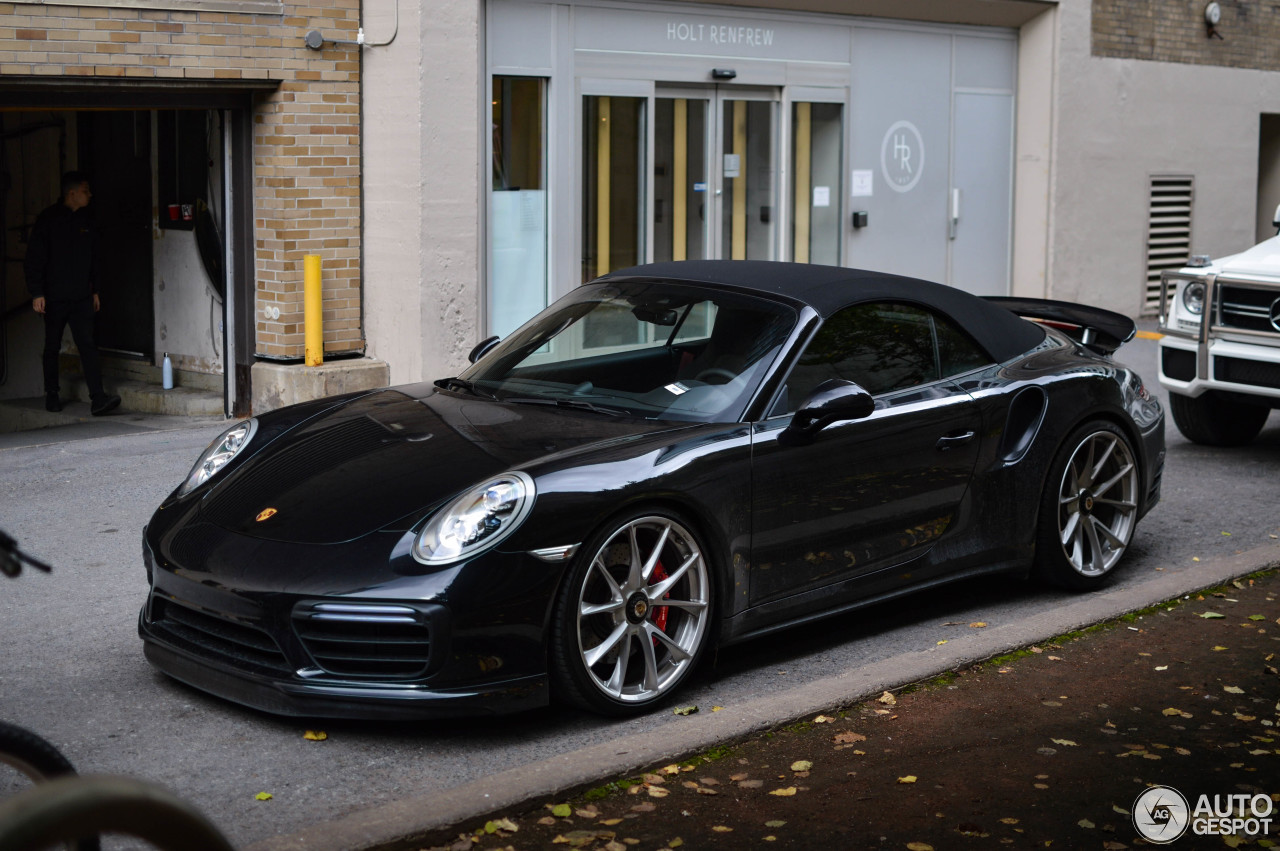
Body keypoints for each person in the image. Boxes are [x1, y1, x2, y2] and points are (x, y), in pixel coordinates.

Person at [25, 171, 120, 415]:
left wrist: (95, 290)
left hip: (81, 297)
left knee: (87, 345)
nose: (90, 195)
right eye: (85, 190)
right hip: (54, 297)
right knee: (52, 346)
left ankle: (98, 398)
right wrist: (37, 293)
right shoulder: (48, 220)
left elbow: (95, 259)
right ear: (72, 193)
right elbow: (35, 258)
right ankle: (52, 394)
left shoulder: (87, 221)